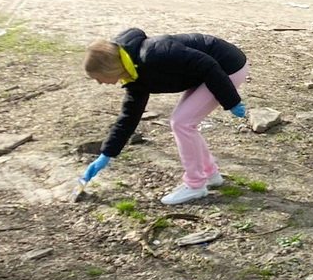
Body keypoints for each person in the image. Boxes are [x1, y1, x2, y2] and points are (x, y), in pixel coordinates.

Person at [81, 29, 249, 205]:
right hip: (206, 74)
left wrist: (231, 101)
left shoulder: (155, 55)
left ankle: (195, 185)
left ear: (109, 69)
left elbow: (207, 64)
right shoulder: (133, 74)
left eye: (98, 78)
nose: (100, 83)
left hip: (227, 67)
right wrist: (107, 153)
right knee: (183, 123)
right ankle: (210, 174)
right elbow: (129, 117)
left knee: (182, 123)